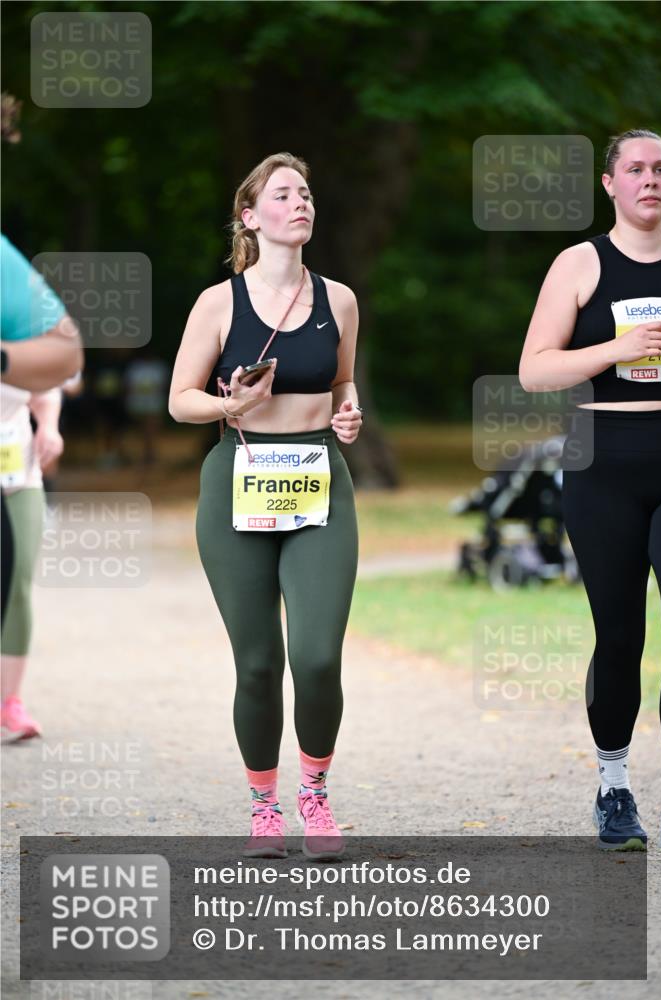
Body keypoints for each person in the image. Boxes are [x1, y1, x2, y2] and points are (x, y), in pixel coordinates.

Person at [169, 153, 362, 859]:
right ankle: (263, 807)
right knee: (256, 664)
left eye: (306, 192)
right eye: (283, 194)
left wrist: (347, 414)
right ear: (251, 217)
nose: (300, 202)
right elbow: (179, 400)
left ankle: (313, 793)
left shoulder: (338, 300)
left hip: (317, 476)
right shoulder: (218, 302)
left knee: (315, 657)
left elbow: (343, 383)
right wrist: (230, 402)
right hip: (236, 478)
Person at [519, 129, 661, 851]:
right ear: (608, 184)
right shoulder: (579, 263)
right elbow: (533, 370)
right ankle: (613, 786)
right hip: (601, 460)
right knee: (620, 637)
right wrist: (615, 349)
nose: (650, 179)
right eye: (635, 169)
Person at [1, 384, 63, 741]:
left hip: (18, 476)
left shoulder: (20, 334)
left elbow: (46, 389)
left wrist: (49, 426)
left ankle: (10, 702)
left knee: (17, 583)